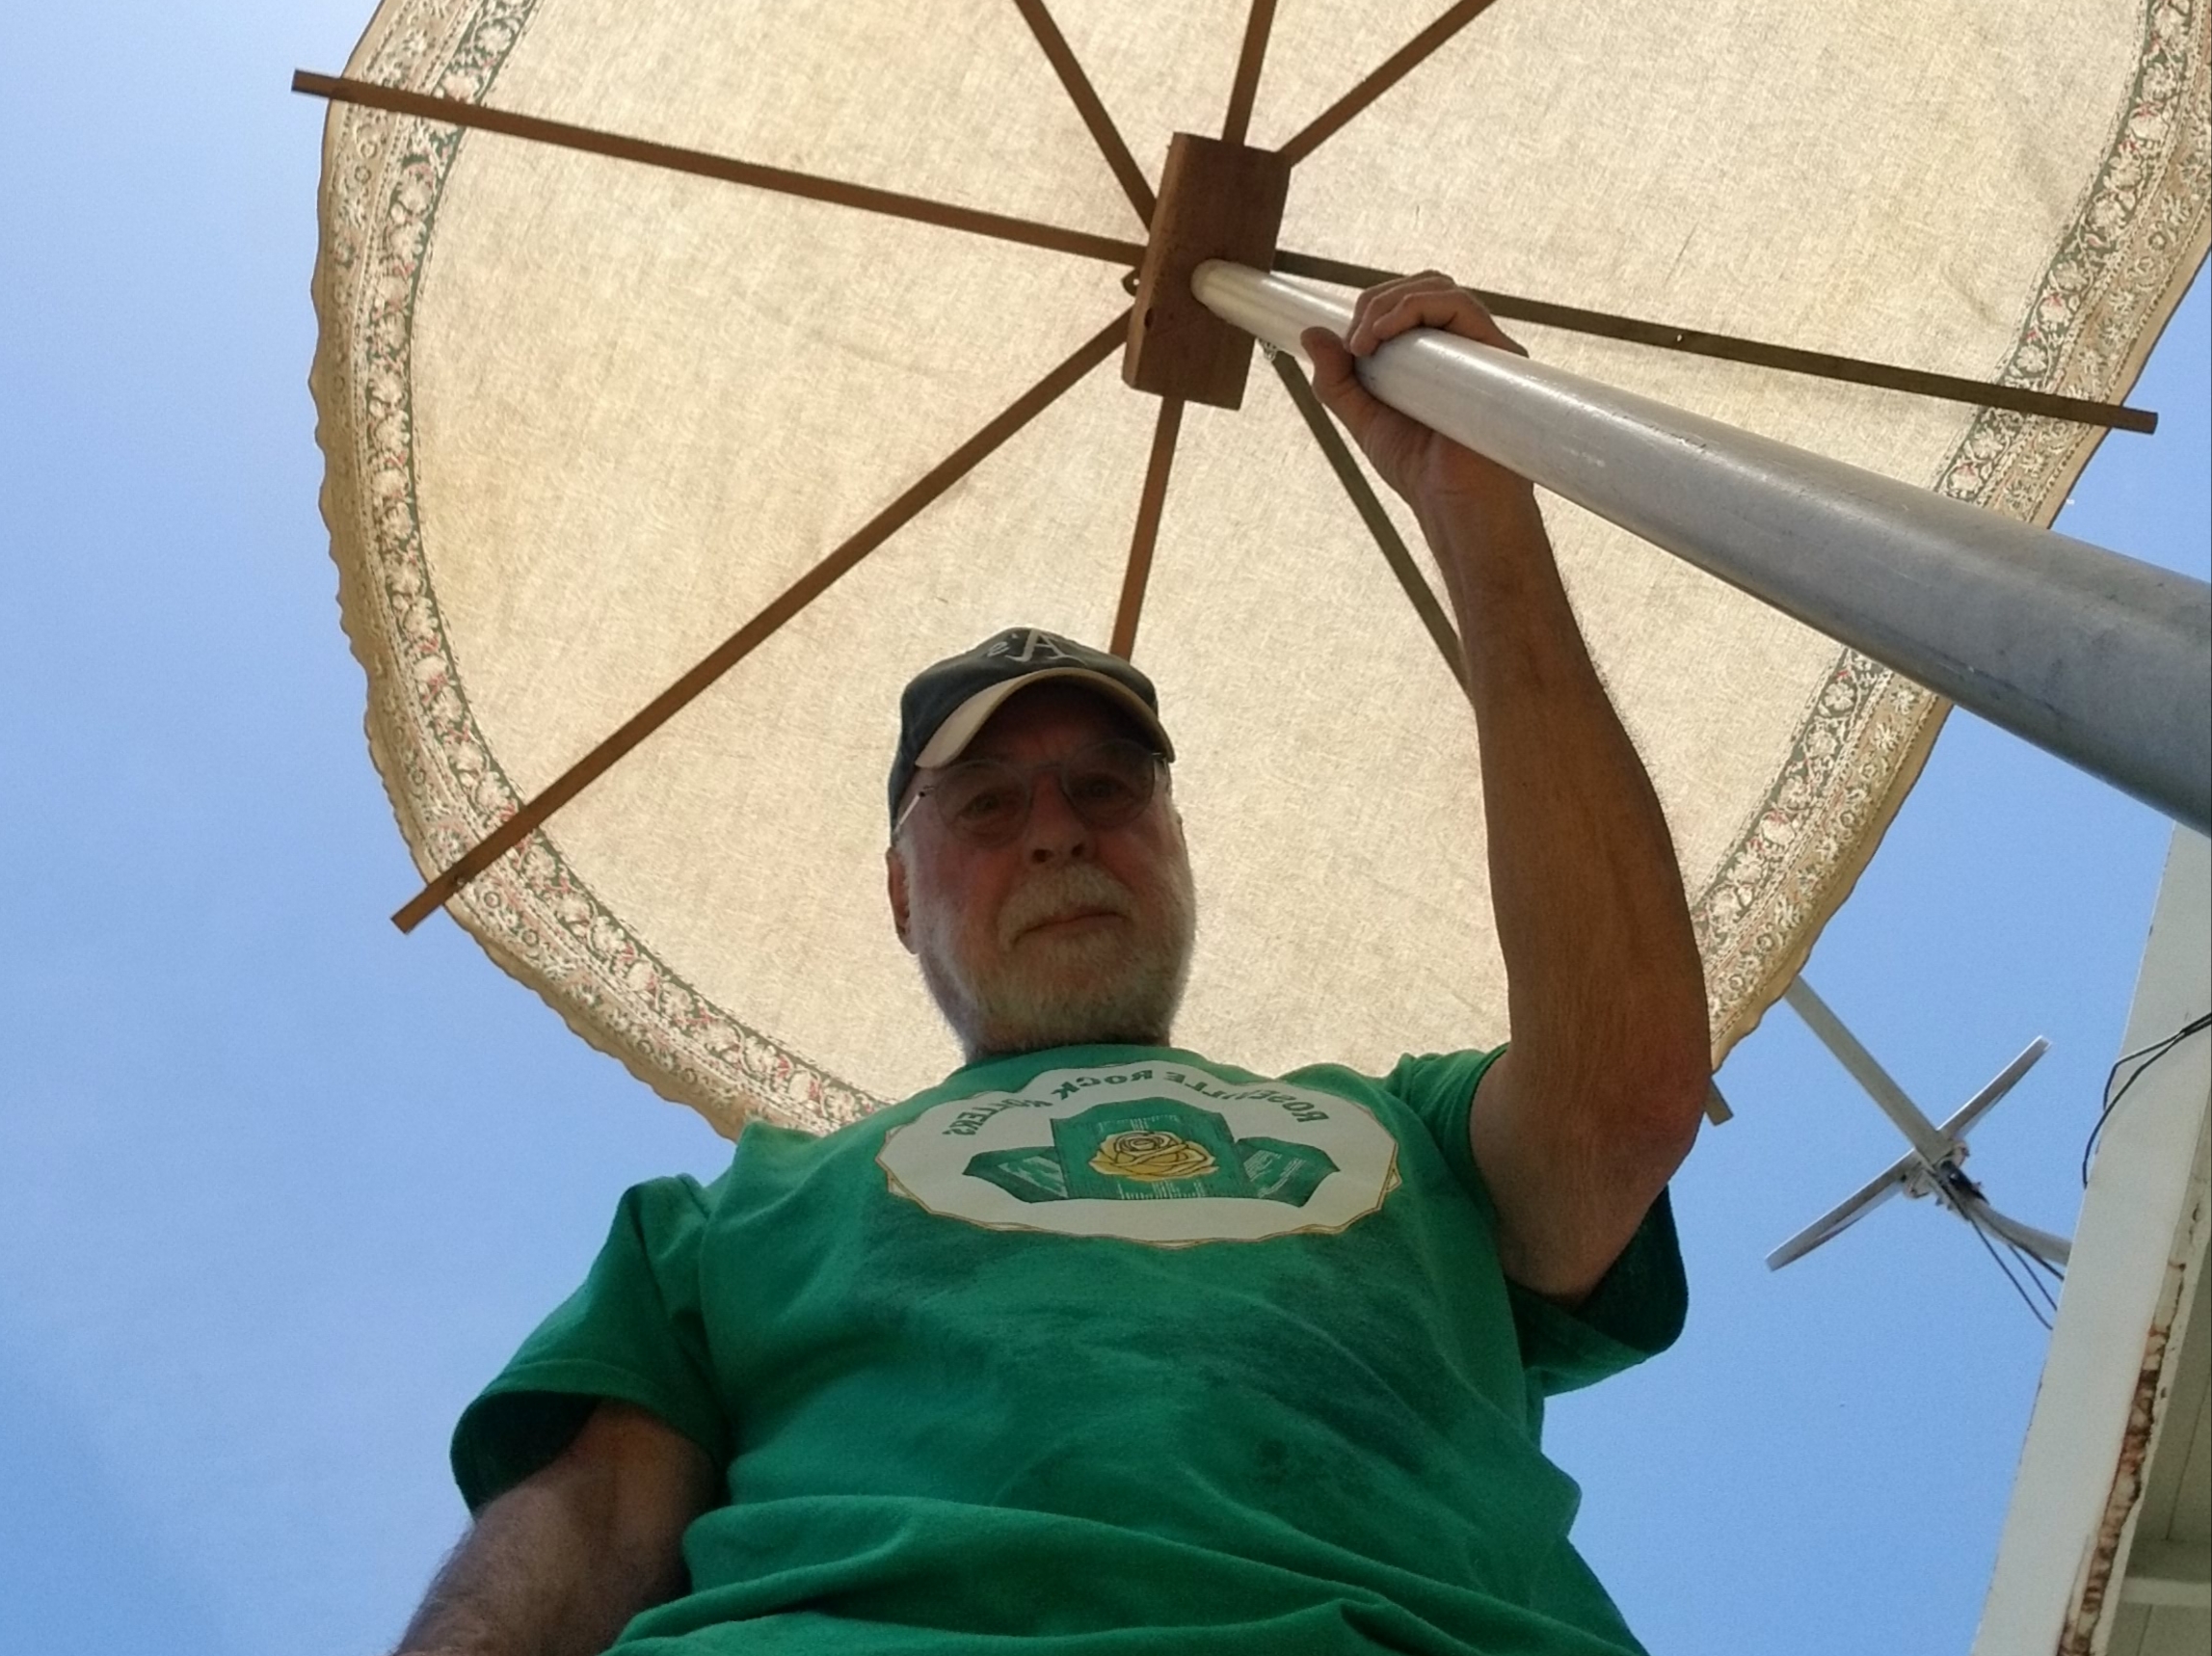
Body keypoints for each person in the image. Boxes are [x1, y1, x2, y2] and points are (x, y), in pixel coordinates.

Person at [391, 276, 1714, 1656]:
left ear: (1176, 842)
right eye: (984, 806)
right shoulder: (727, 1221)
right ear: (901, 895)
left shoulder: (1411, 1131)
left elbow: (1621, 1098)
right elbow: (586, 1522)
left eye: (1106, 788)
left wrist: (1483, 518)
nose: (1056, 833)